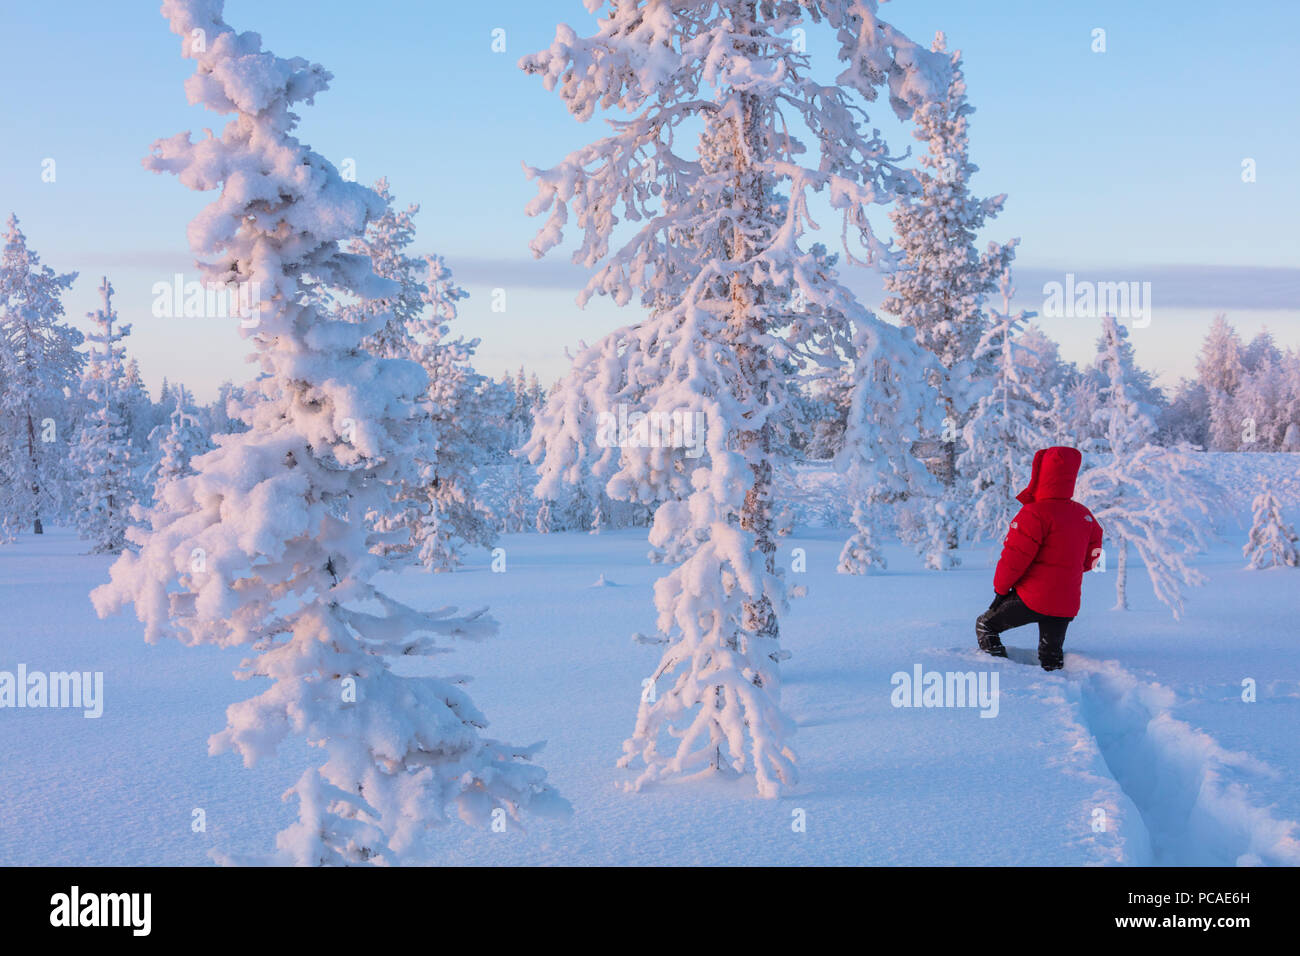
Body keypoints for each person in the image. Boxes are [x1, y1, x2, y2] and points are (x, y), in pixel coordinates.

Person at [976, 446, 1103, 671]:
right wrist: (1068, 570)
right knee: (1051, 655)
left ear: (1040, 475)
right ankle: (1057, 688)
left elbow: (1014, 558)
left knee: (986, 625)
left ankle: (1000, 672)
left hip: (1032, 599)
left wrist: (1001, 589)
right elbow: (1093, 558)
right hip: (1067, 602)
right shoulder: (1084, 515)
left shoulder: (1034, 513)